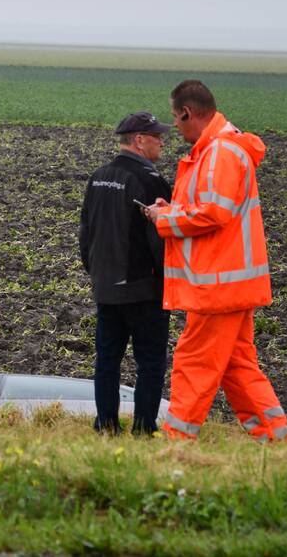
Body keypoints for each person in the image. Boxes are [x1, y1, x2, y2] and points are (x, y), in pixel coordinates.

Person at [144, 80, 287, 443]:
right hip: (226, 282)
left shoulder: (221, 153)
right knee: (237, 365)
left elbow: (215, 212)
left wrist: (164, 219)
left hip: (217, 283)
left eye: (175, 119)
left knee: (193, 360)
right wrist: (173, 208)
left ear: (187, 112)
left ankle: (177, 440)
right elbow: (206, 206)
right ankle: (275, 437)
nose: (174, 126)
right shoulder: (214, 150)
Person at [79, 111, 172, 436]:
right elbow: (162, 238)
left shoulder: (98, 176)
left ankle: (105, 425)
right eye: (157, 135)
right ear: (139, 140)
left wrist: (97, 274)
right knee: (150, 363)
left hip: (106, 287)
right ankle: (144, 428)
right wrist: (168, 282)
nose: (163, 140)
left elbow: (85, 232)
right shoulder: (151, 181)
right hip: (144, 289)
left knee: (107, 360)